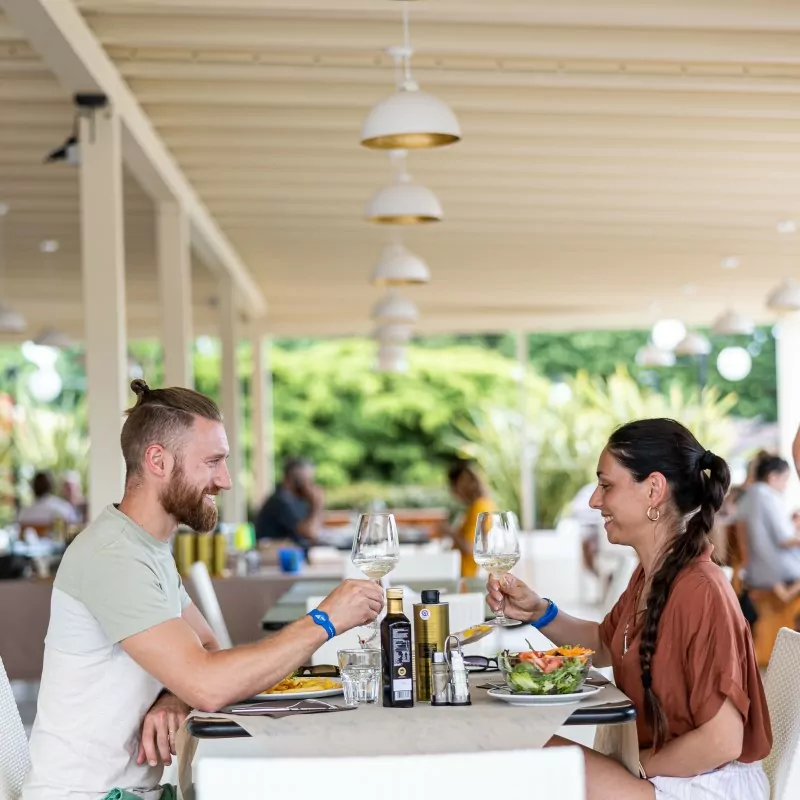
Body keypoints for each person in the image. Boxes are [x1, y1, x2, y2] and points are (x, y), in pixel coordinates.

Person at [23, 380, 382, 800]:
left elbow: (207, 648)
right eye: (213, 461)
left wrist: (175, 693)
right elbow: (209, 685)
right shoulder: (113, 556)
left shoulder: (145, 547)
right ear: (158, 460)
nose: (225, 481)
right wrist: (325, 620)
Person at [486, 418, 771, 799]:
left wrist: (633, 768)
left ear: (653, 489)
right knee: (512, 742)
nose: (594, 501)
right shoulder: (652, 574)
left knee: (523, 754)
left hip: (702, 784)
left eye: (606, 485)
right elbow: (605, 644)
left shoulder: (702, 589)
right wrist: (538, 611)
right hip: (668, 772)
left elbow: (723, 742)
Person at [739, 455, 800, 602]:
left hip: (756, 568)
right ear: (773, 477)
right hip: (774, 569)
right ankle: (786, 599)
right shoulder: (767, 496)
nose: (785, 485)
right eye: (785, 479)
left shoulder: (749, 495)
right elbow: (784, 539)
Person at [253, 457, 325, 548]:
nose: (311, 485)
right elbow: (310, 533)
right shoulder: (280, 501)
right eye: (307, 480)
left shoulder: (295, 500)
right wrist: (317, 504)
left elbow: (314, 529)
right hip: (275, 557)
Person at [443, 460, 496, 578]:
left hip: (469, 576)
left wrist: (449, 531)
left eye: (453, 485)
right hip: (464, 573)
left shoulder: (480, 506)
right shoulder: (478, 506)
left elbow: (471, 547)